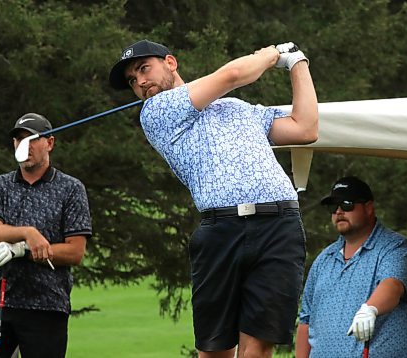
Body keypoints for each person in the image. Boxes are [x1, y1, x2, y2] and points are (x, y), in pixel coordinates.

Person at [109, 39, 318, 357]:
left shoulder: (237, 108)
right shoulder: (155, 113)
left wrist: (297, 64)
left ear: (170, 62)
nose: (139, 82)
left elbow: (304, 129)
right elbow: (233, 74)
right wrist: (268, 55)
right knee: (215, 349)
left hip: (279, 225)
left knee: (259, 347)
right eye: (131, 80)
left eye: (142, 69)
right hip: (222, 230)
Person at [0, 113, 92, 358]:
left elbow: (74, 252)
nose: (23, 145)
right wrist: (27, 234)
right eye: (18, 140)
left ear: (49, 143)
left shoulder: (71, 189)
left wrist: (22, 250)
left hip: (47, 306)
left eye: (31, 139)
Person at [296, 176, 407, 358]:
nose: (339, 211)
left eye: (347, 204)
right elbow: (306, 321)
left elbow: (393, 285)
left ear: (368, 208)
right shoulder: (323, 260)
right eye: (333, 207)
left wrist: (370, 309)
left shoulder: (397, 248)